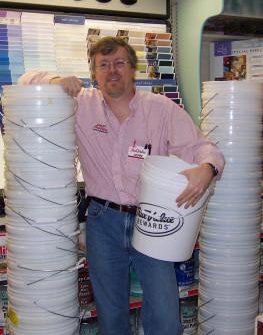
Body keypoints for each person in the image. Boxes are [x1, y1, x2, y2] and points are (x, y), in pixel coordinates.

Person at [18, 36, 225, 335]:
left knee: (166, 318)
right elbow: (26, 81)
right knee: (112, 316)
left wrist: (208, 168)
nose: (111, 70)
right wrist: (56, 79)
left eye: (119, 63)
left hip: (151, 220)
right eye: (103, 65)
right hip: (103, 222)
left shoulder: (161, 109)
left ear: (132, 69)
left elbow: (201, 146)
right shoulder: (80, 104)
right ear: (93, 73)